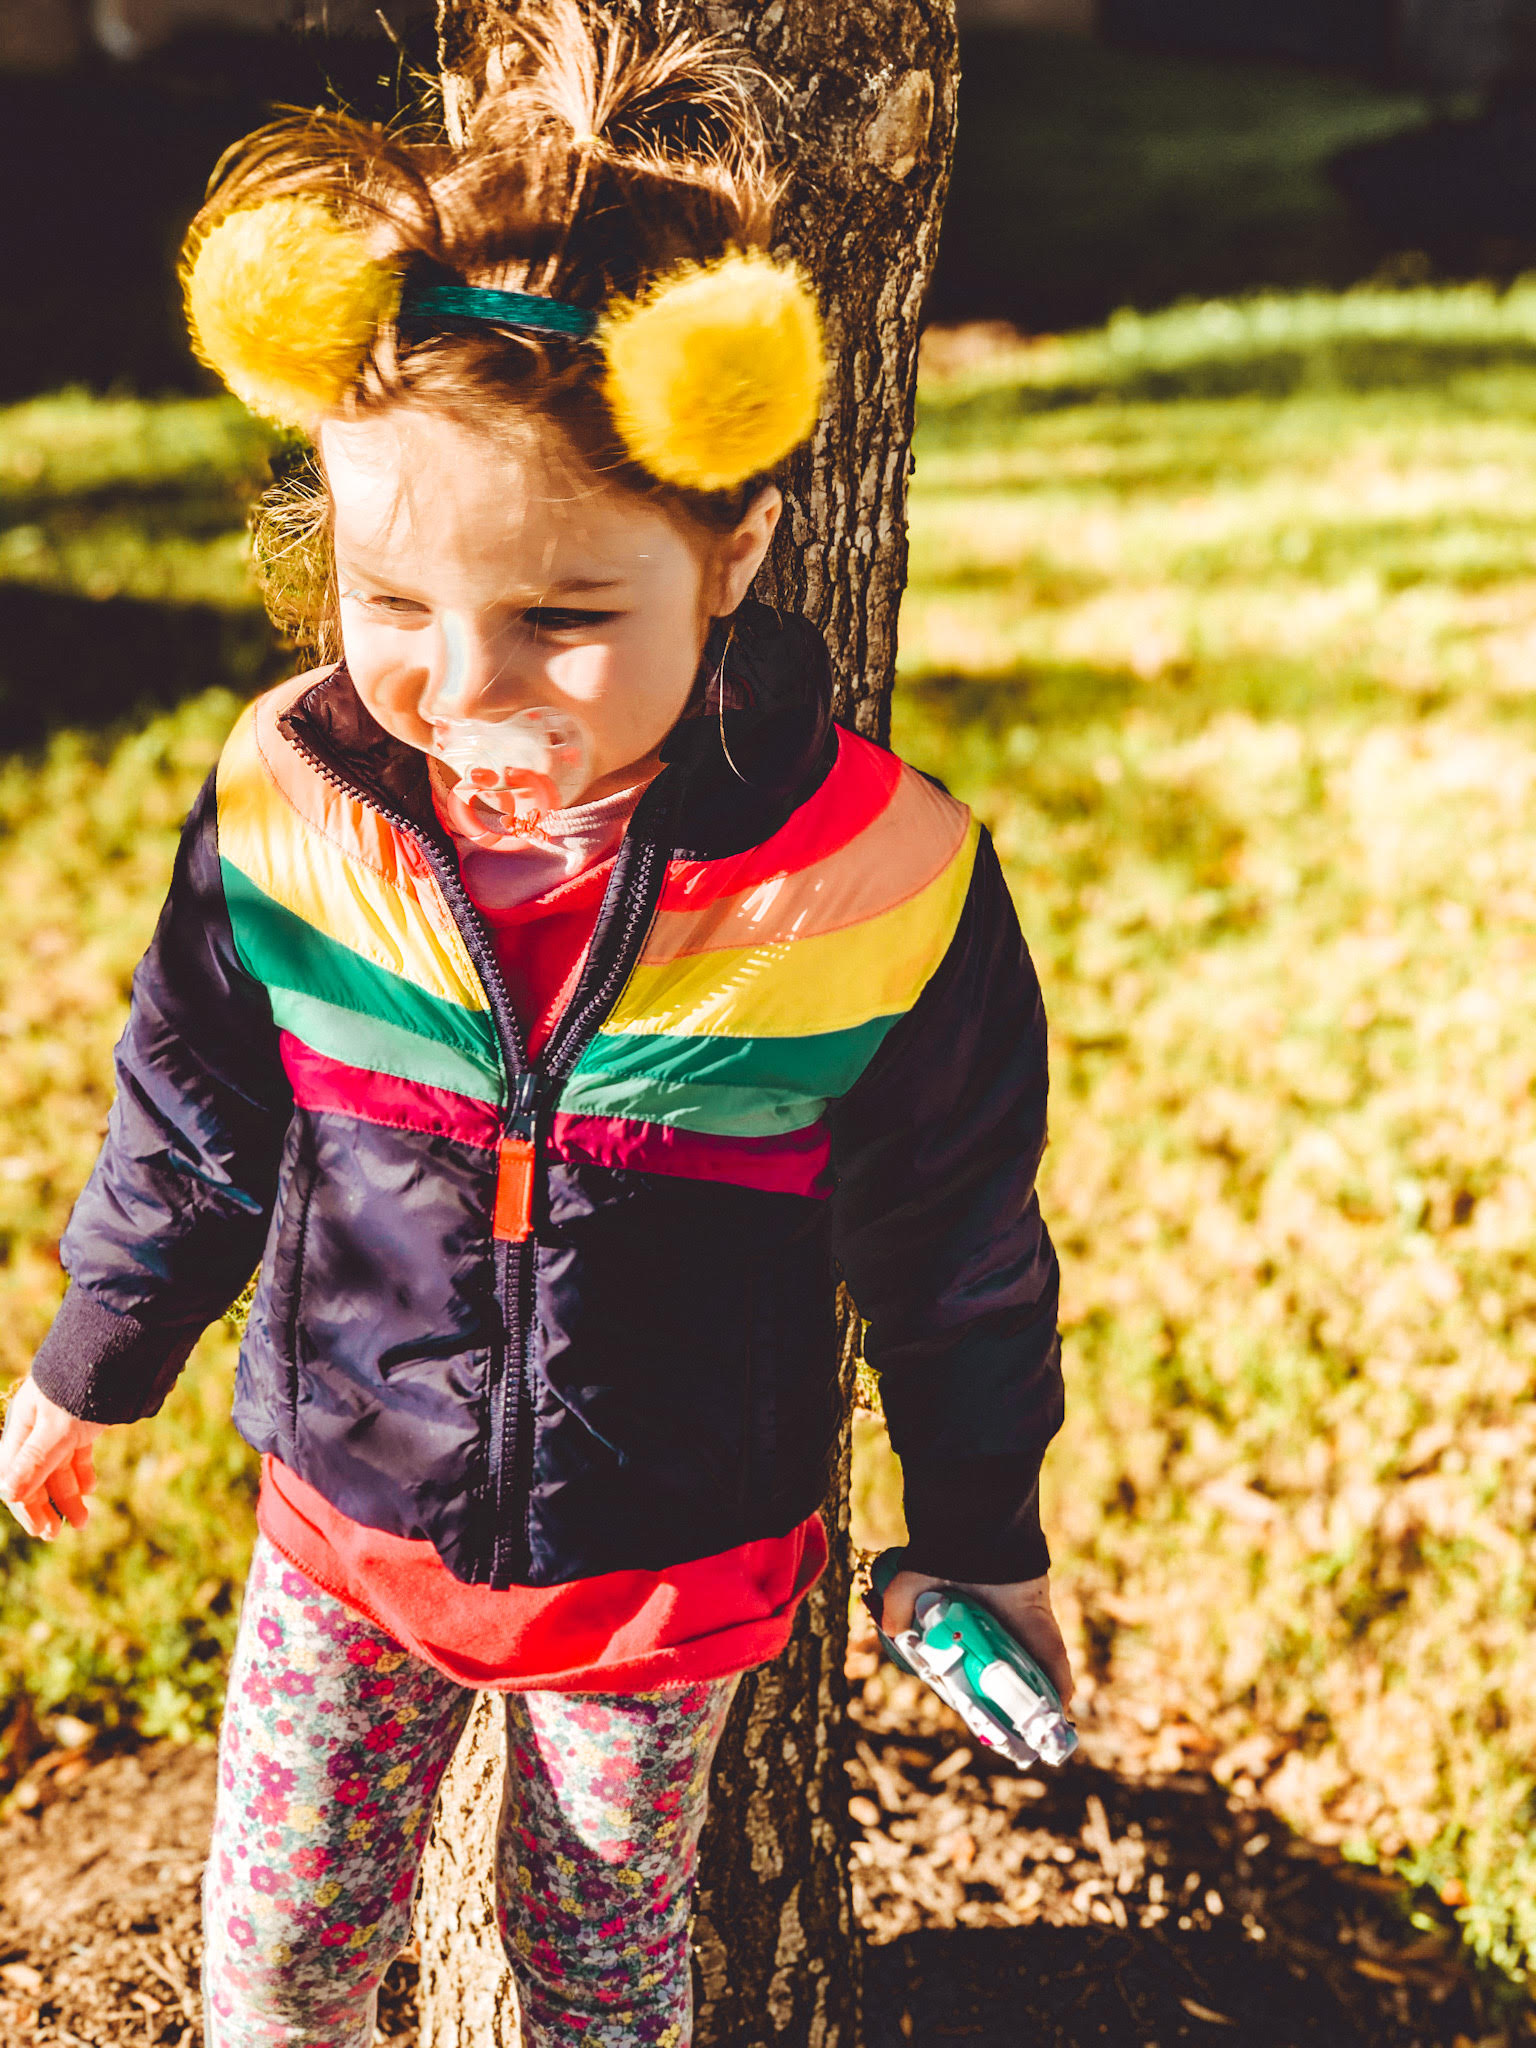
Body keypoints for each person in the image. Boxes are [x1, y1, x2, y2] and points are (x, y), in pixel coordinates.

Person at [0, 6, 1071, 2043]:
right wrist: (97, 1352)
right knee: (279, 1956)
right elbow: (194, 1104)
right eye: (393, 602)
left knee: (602, 1967)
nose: (466, 684)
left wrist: (981, 1531)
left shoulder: (873, 887)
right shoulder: (293, 805)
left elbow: (956, 1246)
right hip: (345, 1524)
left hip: (664, 1571)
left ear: (735, 547)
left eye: (566, 619)